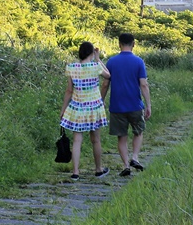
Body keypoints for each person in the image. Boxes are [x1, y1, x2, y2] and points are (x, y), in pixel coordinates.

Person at [102, 33, 151, 177]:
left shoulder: (111, 62)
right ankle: (135, 157)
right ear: (134, 44)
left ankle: (125, 165)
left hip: (117, 106)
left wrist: (101, 100)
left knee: (121, 137)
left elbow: (105, 84)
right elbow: (144, 84)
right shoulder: (138, 62)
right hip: (135, 105)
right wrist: (148, 104)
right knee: (138, 131)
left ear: (119, 44)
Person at [59, 41, 110, 180]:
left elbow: (69, 91)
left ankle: (75, 172)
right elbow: (108, 75)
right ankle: (98, 169)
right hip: (94, 107)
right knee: (96, 140)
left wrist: (63, 110)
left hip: (77, 107)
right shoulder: (95, 66)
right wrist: (98, 59)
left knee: (77, 140)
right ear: (91, 53)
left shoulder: (71, 67)